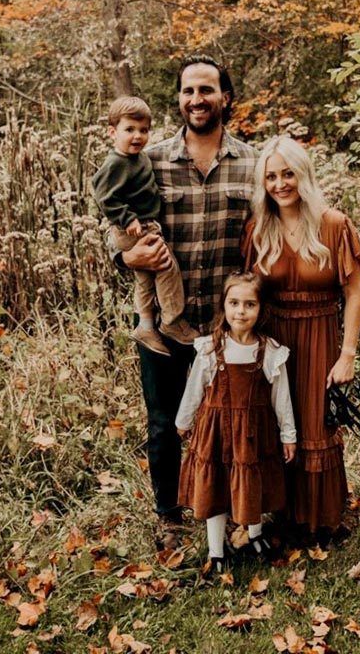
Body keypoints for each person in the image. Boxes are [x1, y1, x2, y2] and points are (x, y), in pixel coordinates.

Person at [109, 55, 257, 548]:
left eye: (207, 90)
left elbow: (270, 234)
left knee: (234, 420)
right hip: (163, 324)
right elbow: (113, 228)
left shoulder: (253, 164)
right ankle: (169, 517)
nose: (197, 99)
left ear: (225, 97)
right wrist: (128, 256)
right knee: (163, 422)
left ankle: (237, 511)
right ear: (179, 99)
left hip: (226, 325)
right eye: (189, 90)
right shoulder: (148, 161)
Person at [242, 135, 360, 544]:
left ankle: (321, 520)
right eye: (271, 176)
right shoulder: (259, 229)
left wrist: (347, 354)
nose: (280, 184)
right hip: (273, 341)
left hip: (318, 337)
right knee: (277, 424)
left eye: (288, 173)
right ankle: (281, 518)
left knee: (315, 424)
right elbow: (247, 293)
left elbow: (353, 293)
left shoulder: (333, 224)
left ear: (304, 175)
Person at [175, 272, 296, 574]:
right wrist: (183, 421)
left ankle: (255, 535)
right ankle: (216, 551)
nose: (240, 311)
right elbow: (195, 389)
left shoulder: (269, 351)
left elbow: (282, 397)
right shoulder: (211, 348)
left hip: (254, 434)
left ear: (261, 309)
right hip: (215, 431)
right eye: (234, 303)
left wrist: (288, 434)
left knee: (251, 484)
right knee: (215, 488)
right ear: (224, 306)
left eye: (249, 304)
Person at [93, 96, 198, 356]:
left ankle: (146, 324)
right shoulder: (116, 162)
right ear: (112, 132)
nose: (137, 136)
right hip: (134, 228)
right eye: (129, 130)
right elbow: (104, 196)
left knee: (146, 277)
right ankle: (172, 321)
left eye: (143, 130)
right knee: (166, 267)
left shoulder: (140, 158)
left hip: (144, 224)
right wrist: (128, 218)